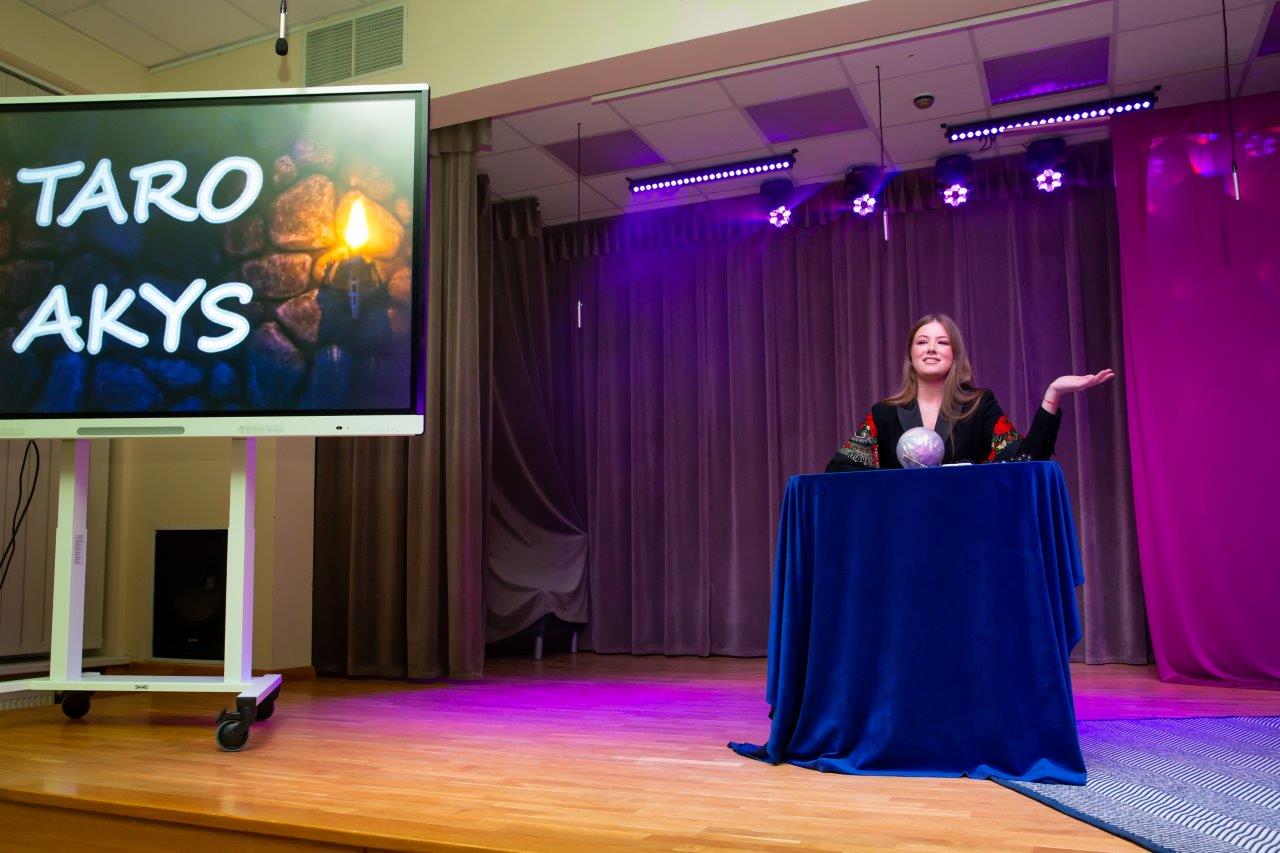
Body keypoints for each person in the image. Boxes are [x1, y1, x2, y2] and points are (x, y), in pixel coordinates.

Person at [826, 314, 1114, 472]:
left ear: (955, 355)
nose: (931, 348)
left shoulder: (979, 404)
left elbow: (1025, 457)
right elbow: (839, 468)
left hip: (966, 533)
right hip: (903, 533)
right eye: (922, 342)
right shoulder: (884, 413)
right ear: (910, 355)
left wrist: (1053, 393)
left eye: (942, 342)